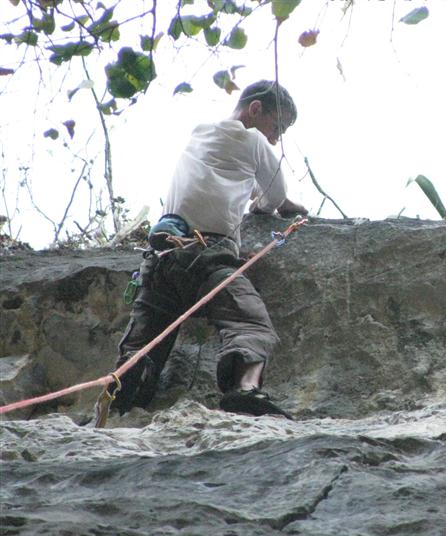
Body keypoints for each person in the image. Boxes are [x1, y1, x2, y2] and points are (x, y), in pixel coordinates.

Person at [107, 80, 306, 419]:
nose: (275, 139)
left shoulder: (200, 133)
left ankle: (116, 406)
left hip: (160, 259)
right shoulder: (253, 139)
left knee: (144, 343)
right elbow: (274, 195)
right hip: (206, 255)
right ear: (255, 110)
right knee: (251, 324)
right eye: (277, 127)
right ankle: (245, 390)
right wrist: (275, 206)